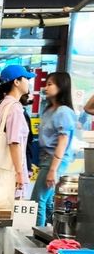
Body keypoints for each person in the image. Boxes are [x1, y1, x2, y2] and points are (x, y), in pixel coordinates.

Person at [30, 71, 77, 226]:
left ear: (61, 87)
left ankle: (36, 237)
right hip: (46, 158)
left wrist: (53, 169)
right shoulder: (49, 110)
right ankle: (50, 235)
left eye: (50, 84)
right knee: (48, 201)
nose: (45, 87)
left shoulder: (63, 111)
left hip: (54, 159)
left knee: (38, 200)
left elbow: (63, 141)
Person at [0, 64, 34, 198]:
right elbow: (14, 142)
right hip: (9, 172)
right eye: (26, 78)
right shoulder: (15, 108)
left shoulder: (2, 105)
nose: (28, 82)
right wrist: (19, 173)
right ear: (16, 82)